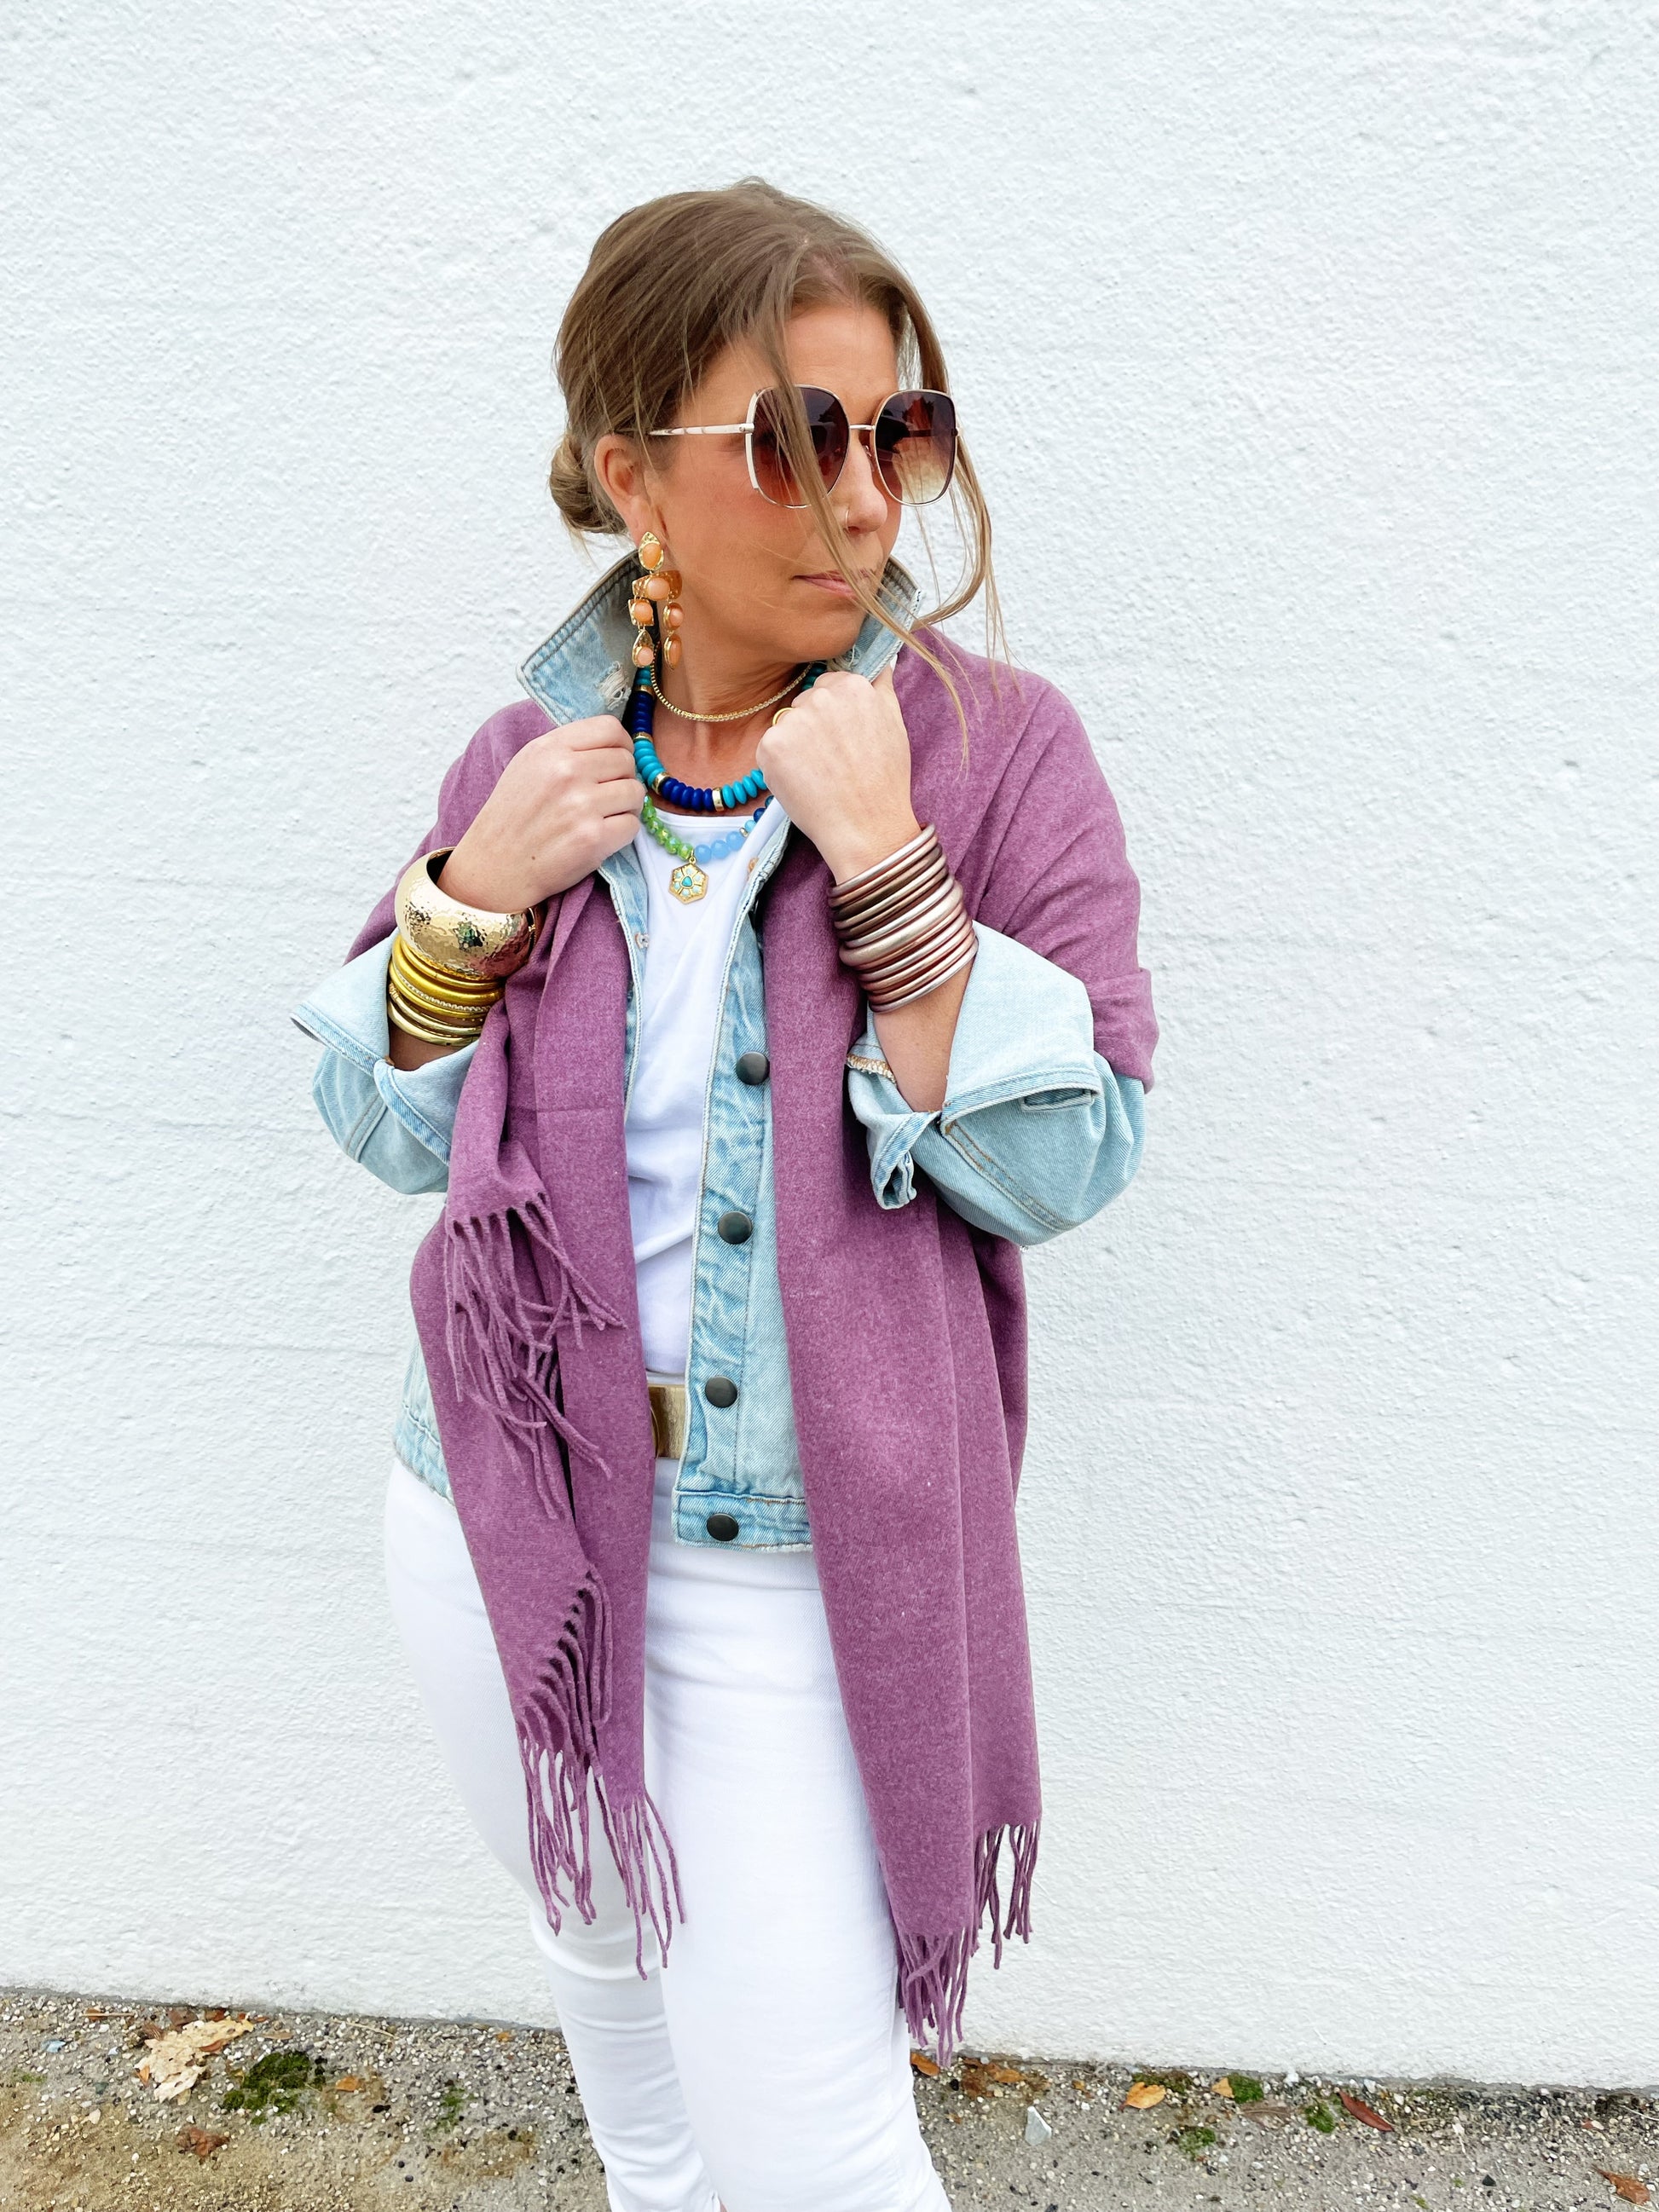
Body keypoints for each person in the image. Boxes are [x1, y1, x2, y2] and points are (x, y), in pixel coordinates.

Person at [292, 177, 1158, 2212]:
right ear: (633, 480)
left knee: (816, 2144)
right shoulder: (528, 760)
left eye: (897, 432)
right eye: (794, 437)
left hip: (783, 1553)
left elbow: (1069, 1157)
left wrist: (892, 872)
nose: (862, 497)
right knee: (614, 1991)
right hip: (501, 1506)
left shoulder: (994, 756)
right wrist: (468, 893)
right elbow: (386, 1127)